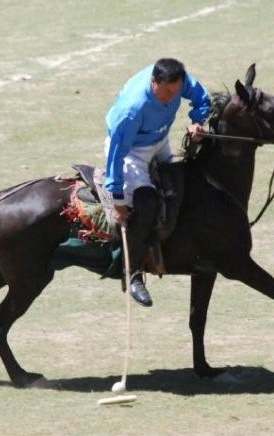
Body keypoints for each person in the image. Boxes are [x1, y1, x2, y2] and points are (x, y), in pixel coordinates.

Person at [104, 58, 211, 307]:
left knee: (182, 184)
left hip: (160, 141)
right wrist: (118, 199)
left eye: (175, 93)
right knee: (147, 202)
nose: (169, 98)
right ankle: (131, 273)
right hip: (131, 151)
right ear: (154, 82)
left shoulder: (178, 81)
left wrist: (197, 121)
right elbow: (116, 156)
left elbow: (201, 98)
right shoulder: (133, 109)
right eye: (165, 93)